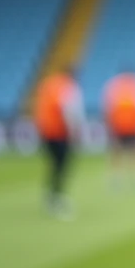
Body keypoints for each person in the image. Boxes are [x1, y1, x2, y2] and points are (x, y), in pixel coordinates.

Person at [33, 64, 85, 220]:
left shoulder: (49, 84)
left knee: (55, 164)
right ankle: (56, 196)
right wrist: (74, 131)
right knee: (62, 165)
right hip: (60, 132)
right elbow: (68, 110)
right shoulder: (68, 87)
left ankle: (51, 194)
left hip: (46, 130)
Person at [102, 65, 135, 191]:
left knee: (122, 152)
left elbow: (107, 108)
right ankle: (134, 178)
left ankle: (122, 178)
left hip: (126, 125)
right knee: (133, 153)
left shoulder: (114, 85)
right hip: (130, 126)